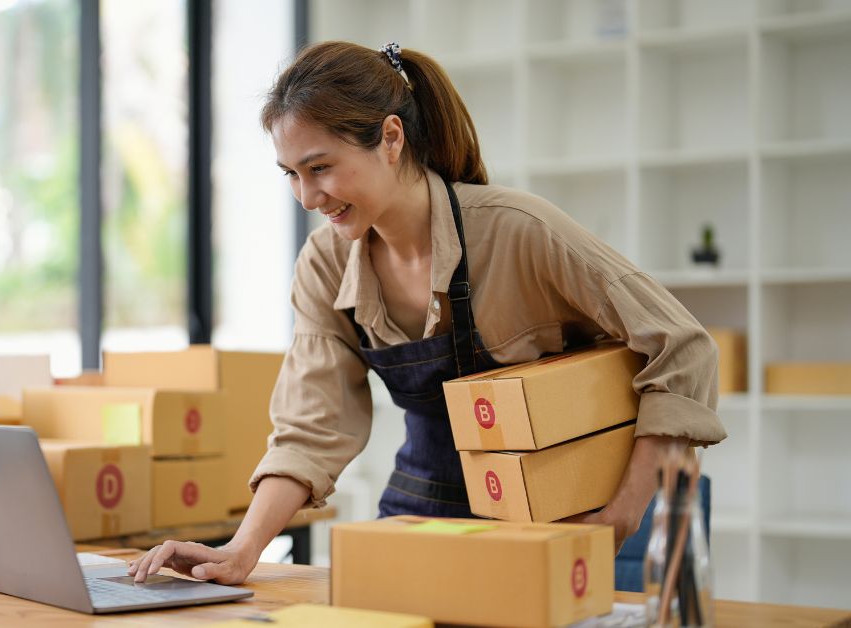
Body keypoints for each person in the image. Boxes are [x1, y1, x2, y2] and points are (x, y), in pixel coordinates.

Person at [128, 41, 727, 585]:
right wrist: (241, 550)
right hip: (428, 502)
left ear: (391, 139)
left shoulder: (518, 230)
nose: (308, 197)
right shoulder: (325, 264)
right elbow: (313, 426)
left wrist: (620, 514)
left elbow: (684, 347)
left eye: (321, 167)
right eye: (291, 174)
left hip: (581, 509)